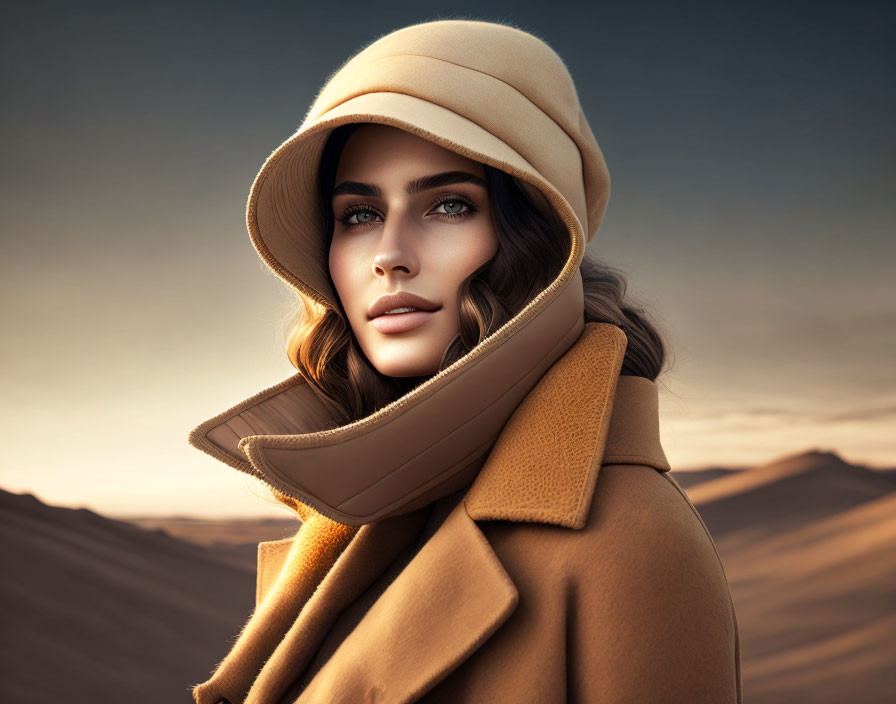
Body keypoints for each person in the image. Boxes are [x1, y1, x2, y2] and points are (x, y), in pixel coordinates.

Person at [188, 18, 742, 704]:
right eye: (358, 214)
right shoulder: (365, 513)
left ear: (534, 239)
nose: (389, 252)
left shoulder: (631, 540)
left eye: (449, 205)